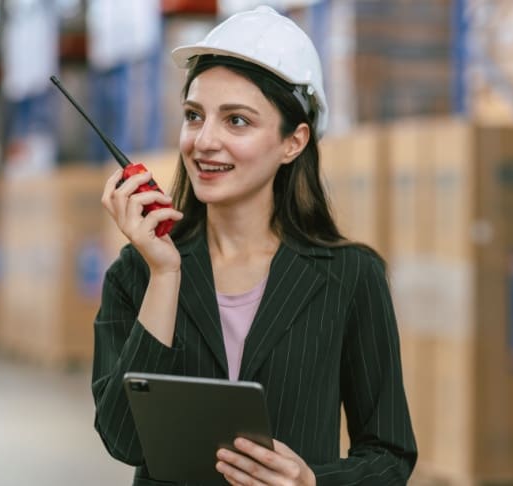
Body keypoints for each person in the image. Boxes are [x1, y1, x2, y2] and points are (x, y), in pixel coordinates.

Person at [91, 5, 417, 486]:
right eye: (193, 116)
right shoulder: (137, 271)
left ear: (294, 141)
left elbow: (389, 454)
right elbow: (123, 437)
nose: (204, 141)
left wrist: (313, 482)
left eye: (236, 121)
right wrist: (165, 275)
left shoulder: (349, 277)